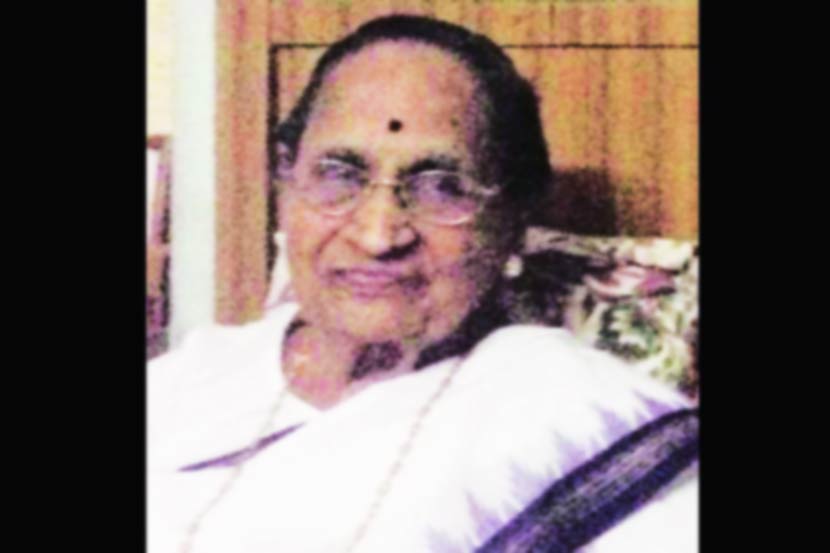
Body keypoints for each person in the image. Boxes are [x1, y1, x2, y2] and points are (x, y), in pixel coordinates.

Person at [148, 15, 697, 553]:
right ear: (286, 181)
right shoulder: (184, 382)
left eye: (442, 187)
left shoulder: (577, 420)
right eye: (339, 174)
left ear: (513, 218)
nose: (377, 235)